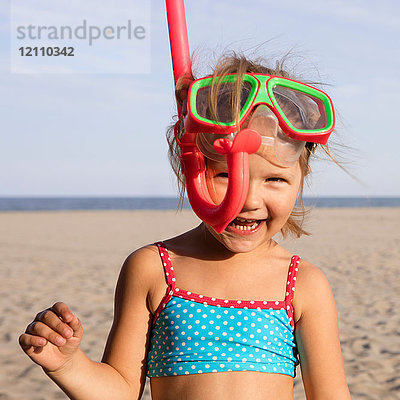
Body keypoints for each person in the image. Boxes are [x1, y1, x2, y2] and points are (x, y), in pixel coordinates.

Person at [19, 53, 352, 400]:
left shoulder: (303, 285)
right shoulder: (153, 268)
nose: (249, 200)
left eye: (275, 179)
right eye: (225, 174)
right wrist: (67, 365)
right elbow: (119, 389)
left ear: (302, 178)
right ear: (188, 165)